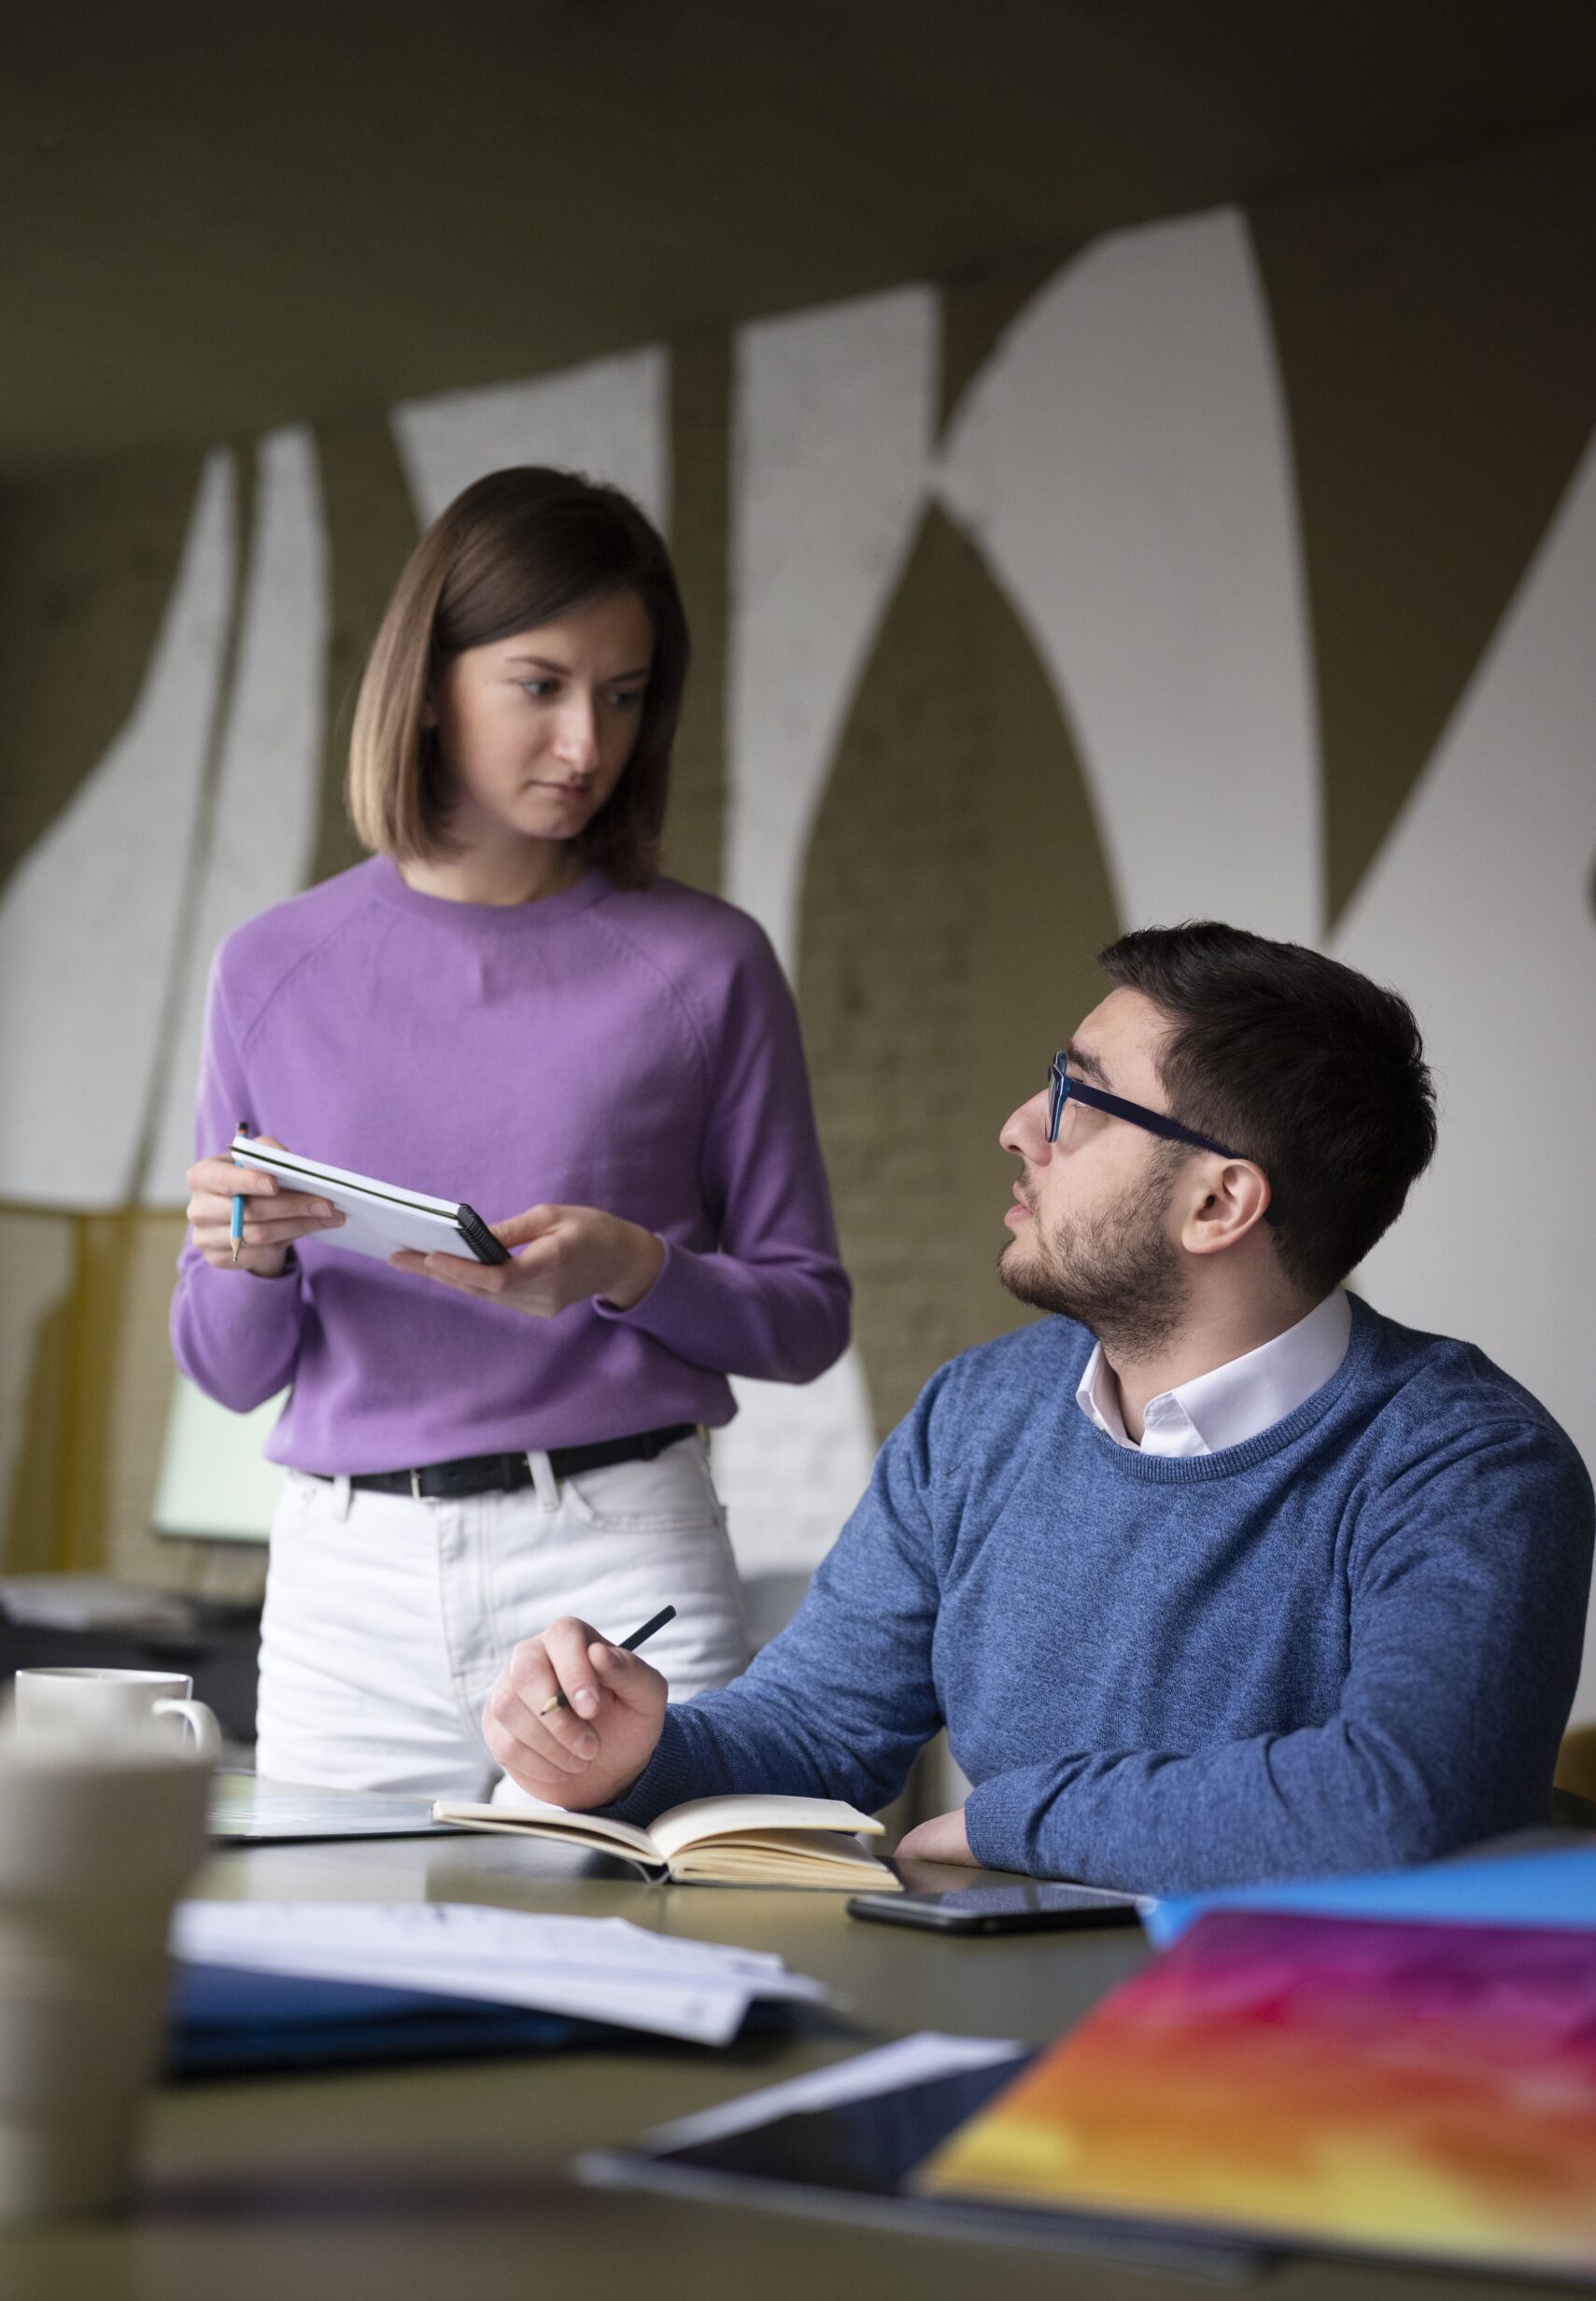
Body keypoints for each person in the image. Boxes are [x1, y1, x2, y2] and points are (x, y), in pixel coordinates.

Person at [481, 923, 1595, 1893]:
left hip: (1312, 2041)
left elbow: (1395, 1801)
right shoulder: (977, 1413)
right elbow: (815, 1727)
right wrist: (635, 1755)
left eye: (1076, 1097)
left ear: (1217, 1202)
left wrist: (1012, 1820)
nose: (1019, 1127)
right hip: (1001, 2010)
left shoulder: (1470, 1467)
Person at [172, 466, 850, 1797]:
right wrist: (246, 1260)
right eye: (539, 685)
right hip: (348, 1590)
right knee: (335, 1931)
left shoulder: (707, 964)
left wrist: (632, 1269)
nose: (586, 744)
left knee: (653, 1932)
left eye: (624, 694)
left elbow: (806, 1318)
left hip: (619, 1562)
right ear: (429, 684)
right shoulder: (271, 967)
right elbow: (230, 1372)